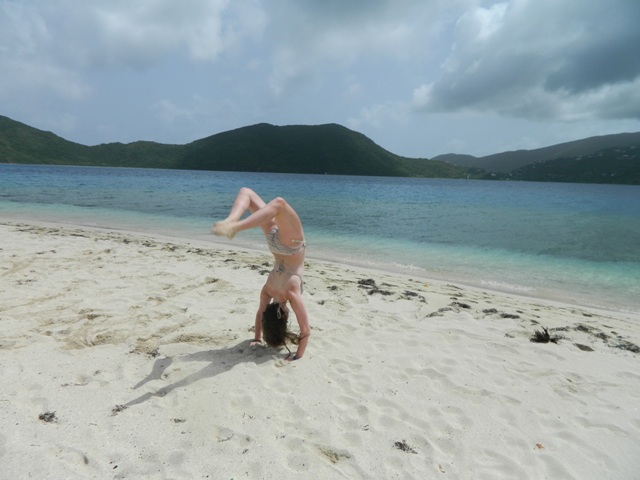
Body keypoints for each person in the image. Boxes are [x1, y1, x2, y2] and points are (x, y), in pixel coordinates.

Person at [212, 187, 310, 361]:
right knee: (247, 193)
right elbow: (259, 314)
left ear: (284, 316)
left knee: (279, 203)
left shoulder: (291, 294)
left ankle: (234, 223)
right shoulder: (268, 290)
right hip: (276, 244)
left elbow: (306, 331)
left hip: (292, 246)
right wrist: (257, 338)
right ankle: (232, 223)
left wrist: (298, 355)